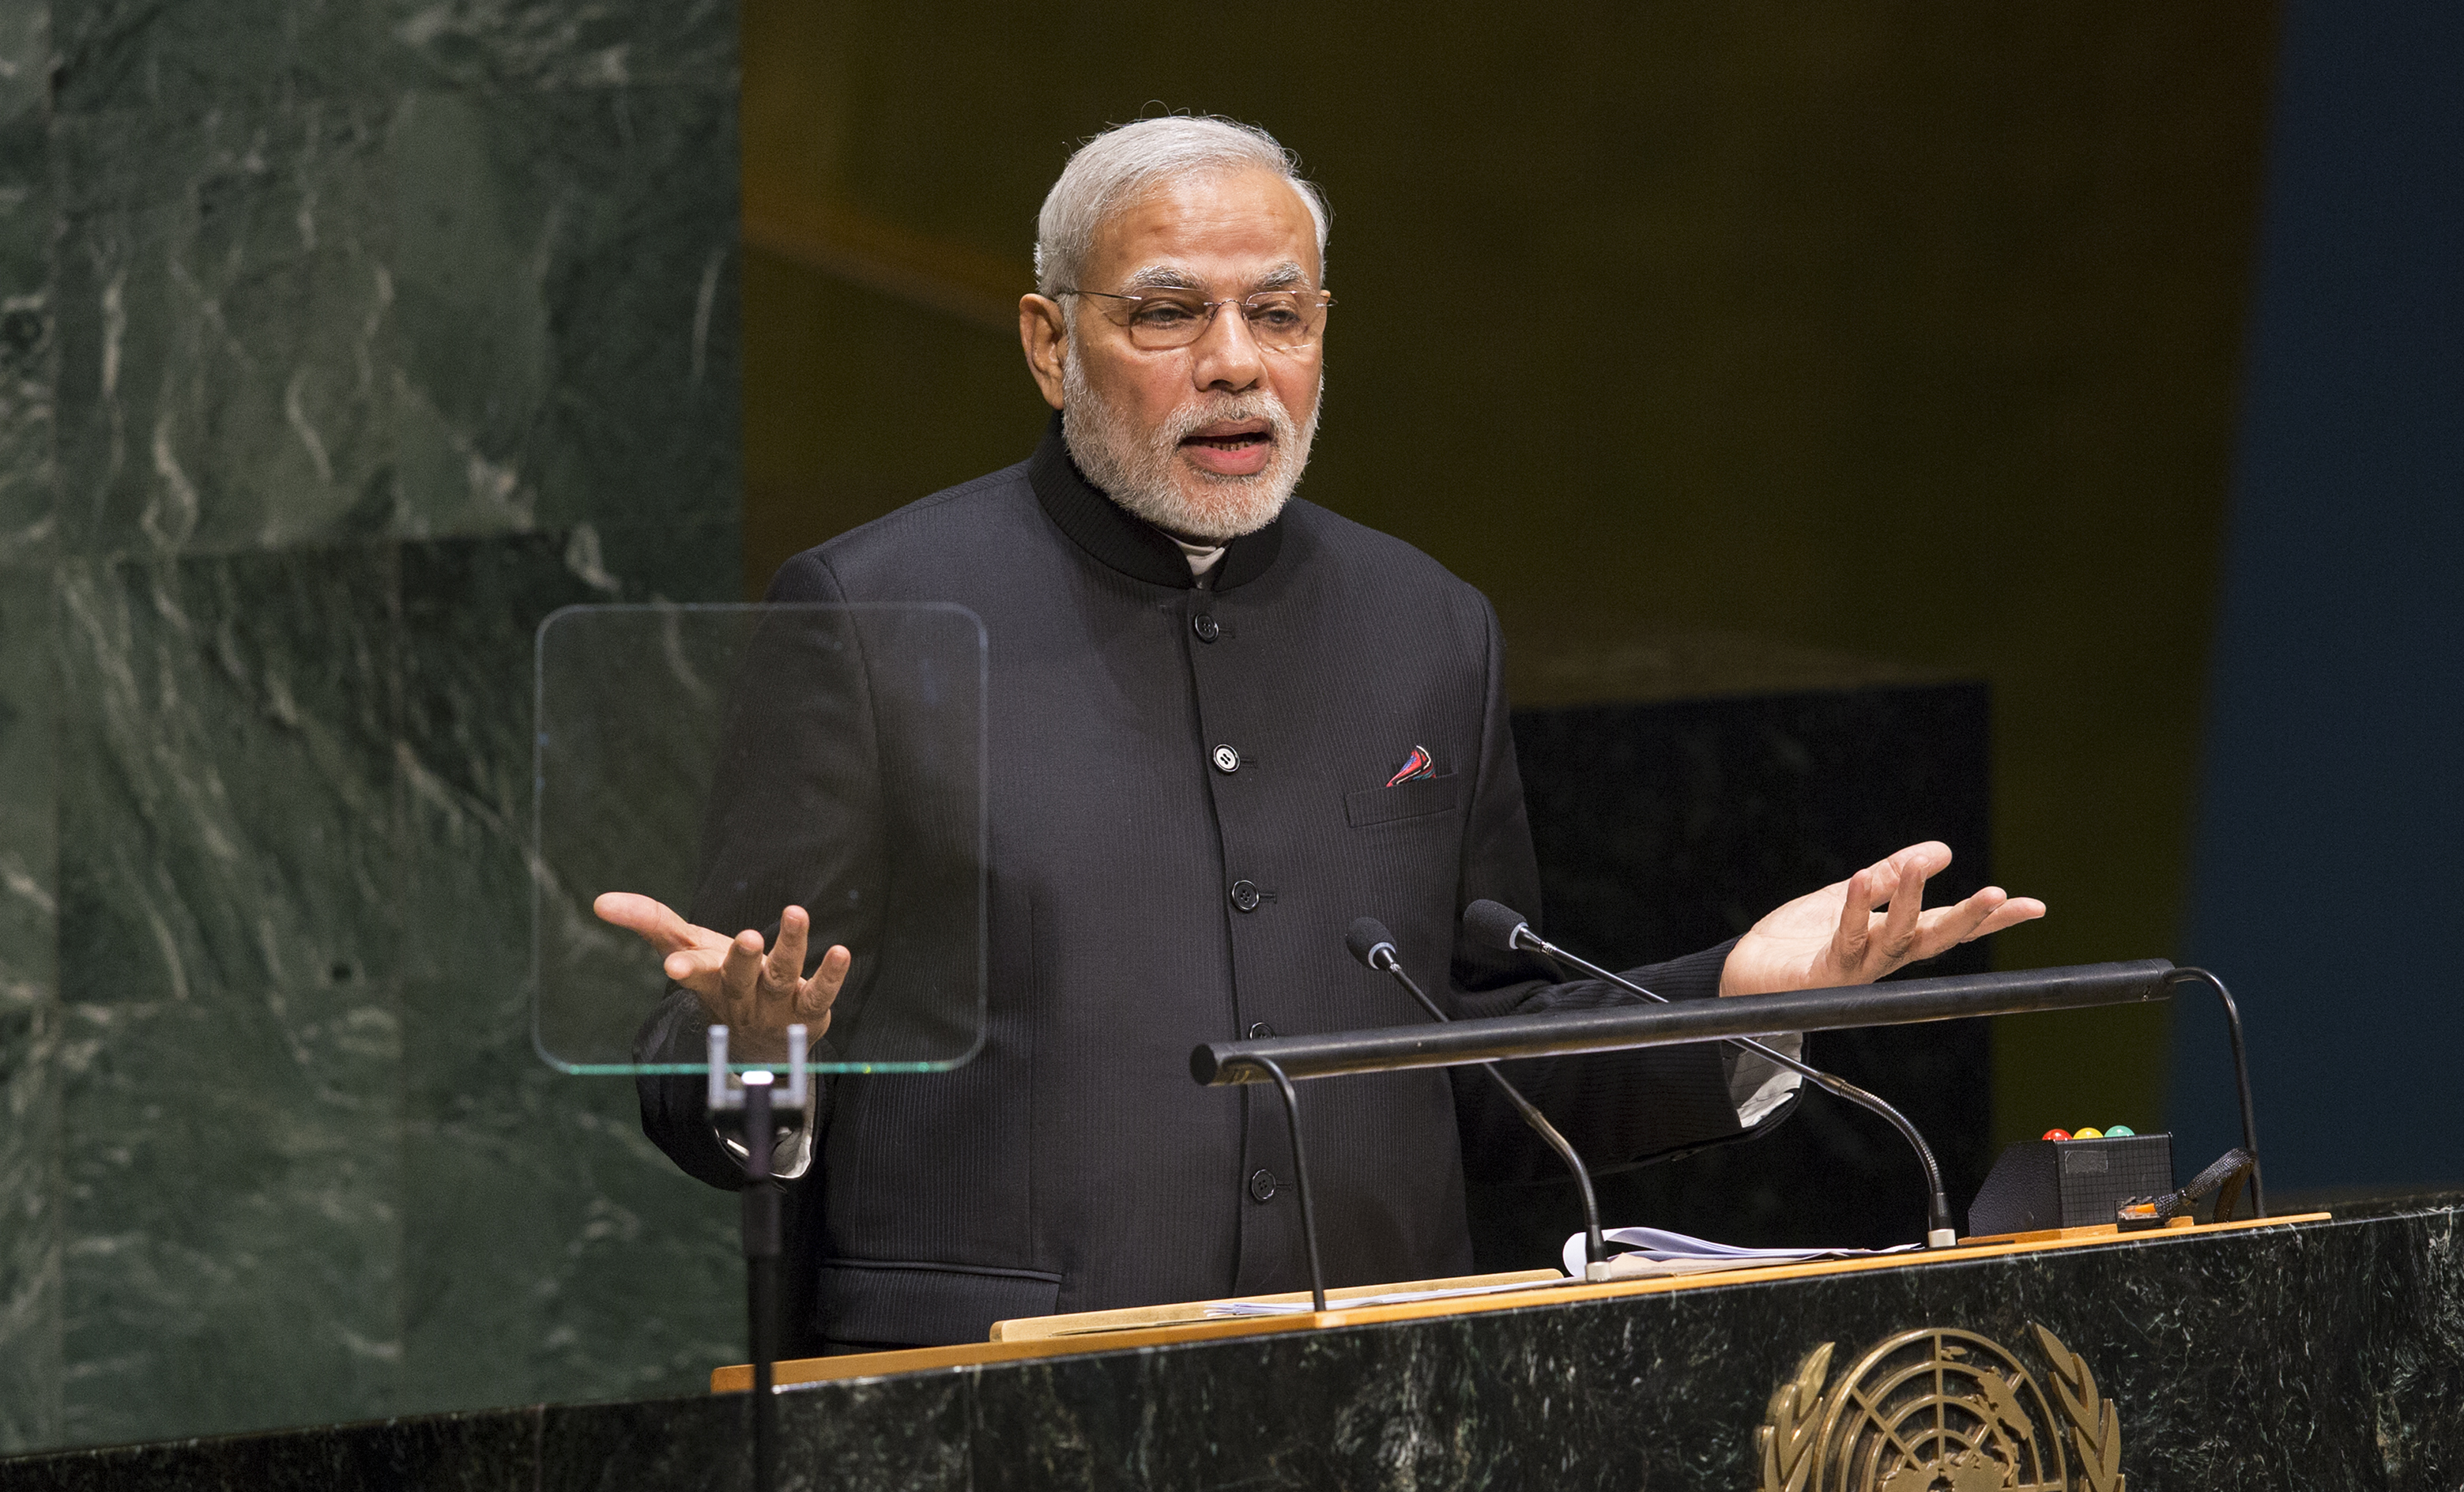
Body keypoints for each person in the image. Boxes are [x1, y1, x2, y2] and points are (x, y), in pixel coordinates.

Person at [601, 116, 2042, 1351]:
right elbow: (711, 1029)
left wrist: (1741, 996)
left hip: (1373, 1407)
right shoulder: (871, 614)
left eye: (1278, 316)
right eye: (1168, 314)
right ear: (1048, 343)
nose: (1236, 363)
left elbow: (1470, 1065)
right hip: (997, 1408)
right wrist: (756, 1052)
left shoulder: (1427, 627)